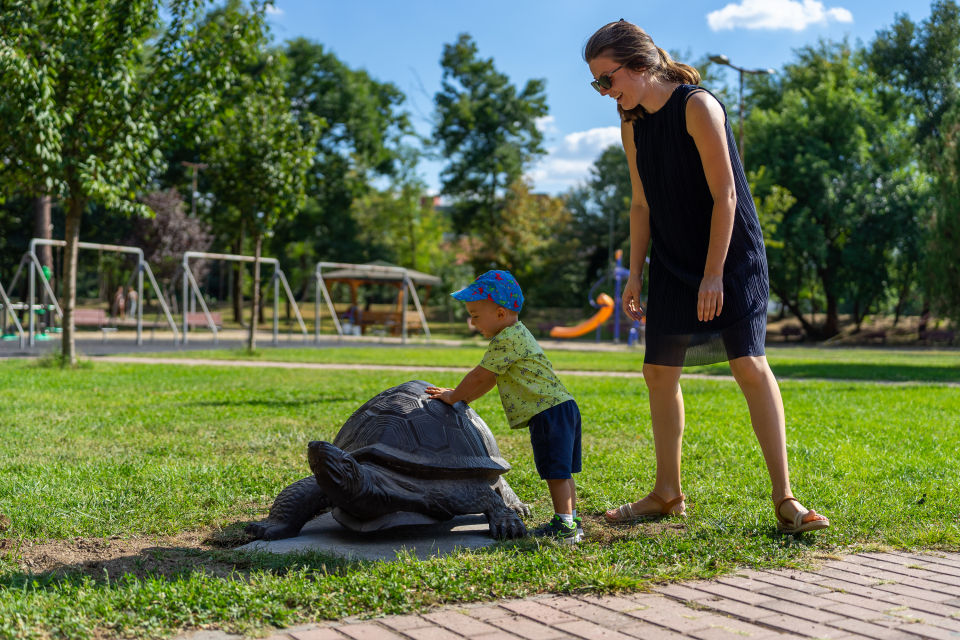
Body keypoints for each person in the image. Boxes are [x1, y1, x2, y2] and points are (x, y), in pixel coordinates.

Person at [584, 20, 828, 534]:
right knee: (658, 371)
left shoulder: (698, 106)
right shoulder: (631, 122)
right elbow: (640, 202)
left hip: (730, 256)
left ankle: (785, 498)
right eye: (597, 84)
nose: (605, 93)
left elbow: (727, 196)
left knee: (747, 363)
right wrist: (634, 278)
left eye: (607, 80)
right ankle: (667, 493)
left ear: (639, 65)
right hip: (673, 260)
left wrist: (714, 274)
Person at [426, 271, 585, 544]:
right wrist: (465, 399)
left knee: (555, 471)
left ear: (500, 314)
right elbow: (489, 380)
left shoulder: (506, 340)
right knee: (563, 470)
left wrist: (453, 397)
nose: (473, 323)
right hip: (563, 407)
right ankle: (571, 520)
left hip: (547, 412)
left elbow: (478, 376)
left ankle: (565, 527)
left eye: (475, 316)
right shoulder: (517, 335)